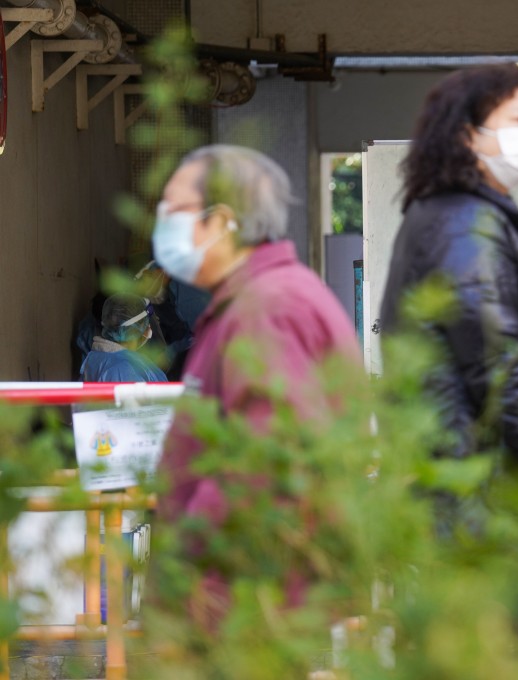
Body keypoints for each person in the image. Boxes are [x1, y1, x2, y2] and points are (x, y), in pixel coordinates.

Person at [152, 144, 359, 627]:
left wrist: (197, 581)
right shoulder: (256, 300)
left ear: (223, 221)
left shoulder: (266, 308)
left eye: (174, 210)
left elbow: (264, 463)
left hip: (241, 604)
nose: (162, 223)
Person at [380, 65, 518, 484]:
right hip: (478, 479)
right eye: (517, 120)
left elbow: (477, 334)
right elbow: (500, 372)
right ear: (468, 136)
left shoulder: (460, 213)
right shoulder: (465, 225)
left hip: (469, 470)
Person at [80, 293, 168, 383]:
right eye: (146, 323)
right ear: (133, 330)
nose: (149, 327)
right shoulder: (121, 370)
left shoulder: (104, 357)